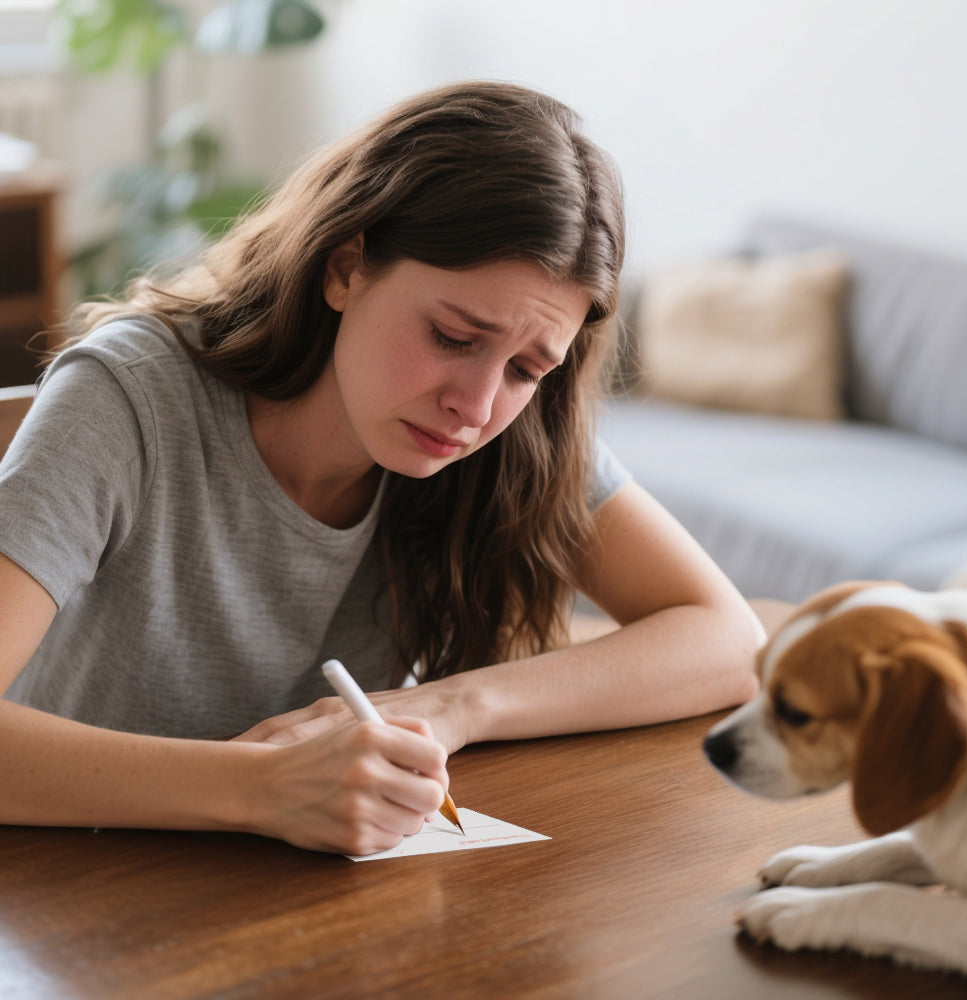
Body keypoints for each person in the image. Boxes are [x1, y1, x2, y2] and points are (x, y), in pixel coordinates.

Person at [0, 81, 761, 856]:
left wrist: (451, 707)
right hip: (74, 880)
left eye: (527, 369)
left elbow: (731, 641)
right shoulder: (128, 397)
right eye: (453, 337)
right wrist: (263, 789)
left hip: (303, 892)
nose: (475, 407)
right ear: (345, 269)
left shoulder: (514, 432)